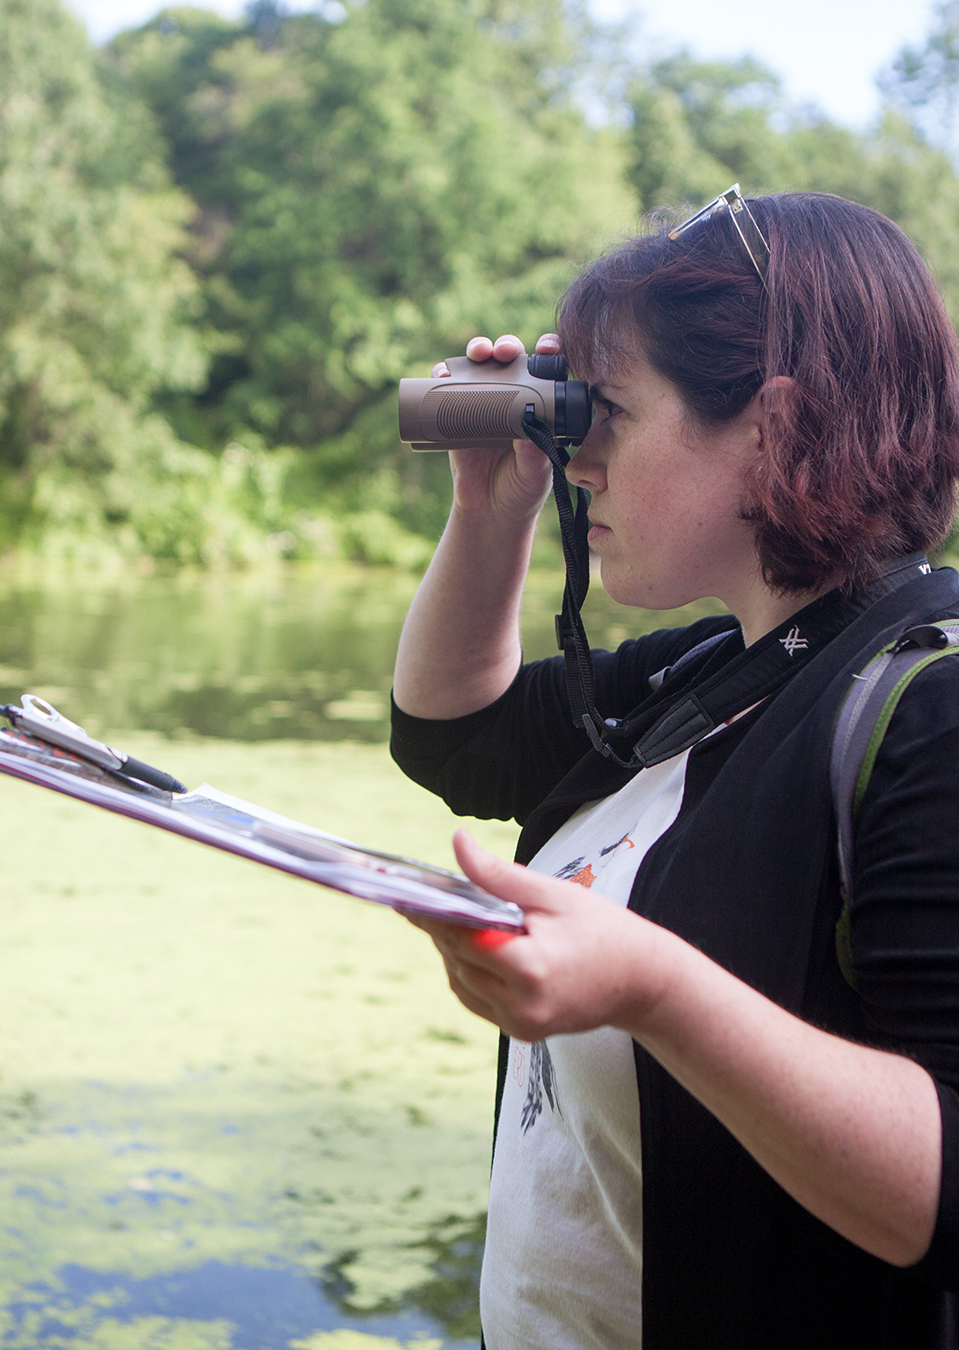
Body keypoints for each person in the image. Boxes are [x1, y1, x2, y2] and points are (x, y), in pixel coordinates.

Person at [389, 191, 959, 1349]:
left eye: (612, 413)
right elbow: (453, 732)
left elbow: (947, 1189)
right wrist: (494, 511)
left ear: (775, 426)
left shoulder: (927, 712)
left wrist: (653, 988)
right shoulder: (722, 667)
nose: (579, 453)